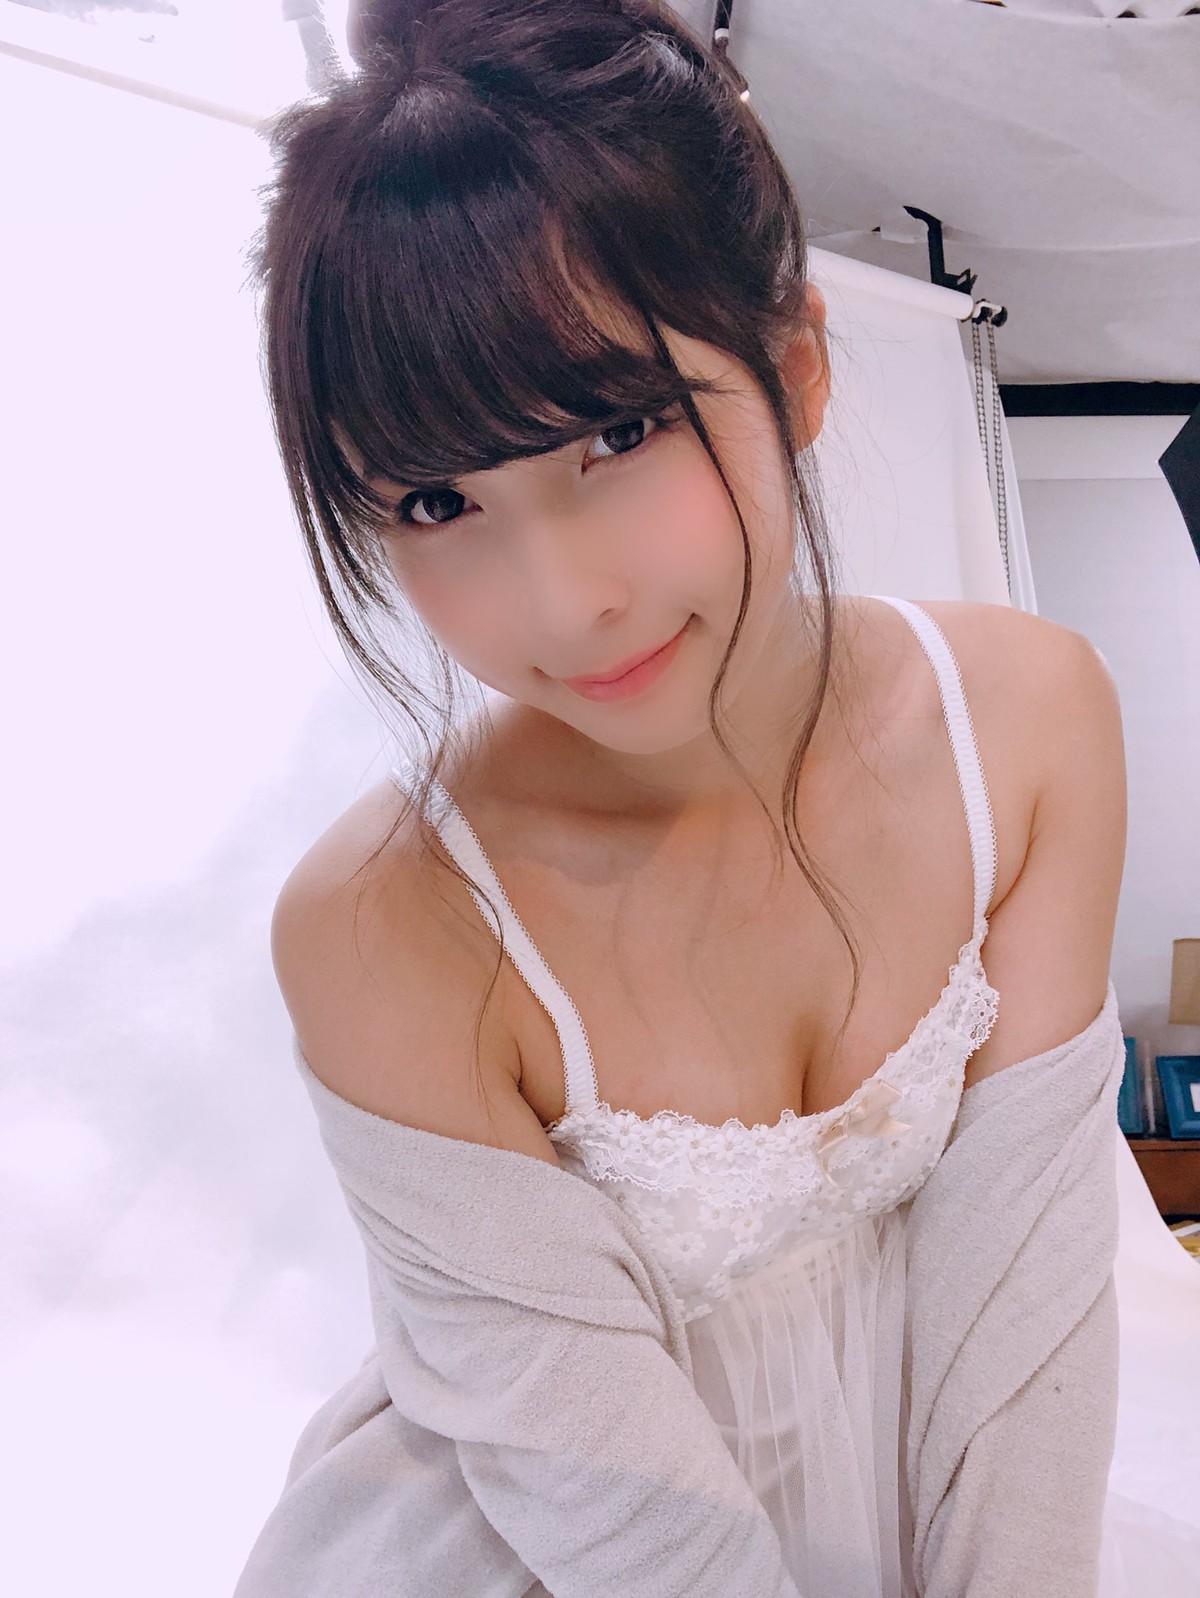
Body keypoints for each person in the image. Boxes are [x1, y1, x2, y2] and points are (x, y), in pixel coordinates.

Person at [236, 2, 1189, 1593]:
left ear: (796, 367)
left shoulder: (1027, 724)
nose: (563, 600)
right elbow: (628, 1520)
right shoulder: (384, 920)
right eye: (435, 499)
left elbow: (1022, 1328)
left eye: (616, 431)